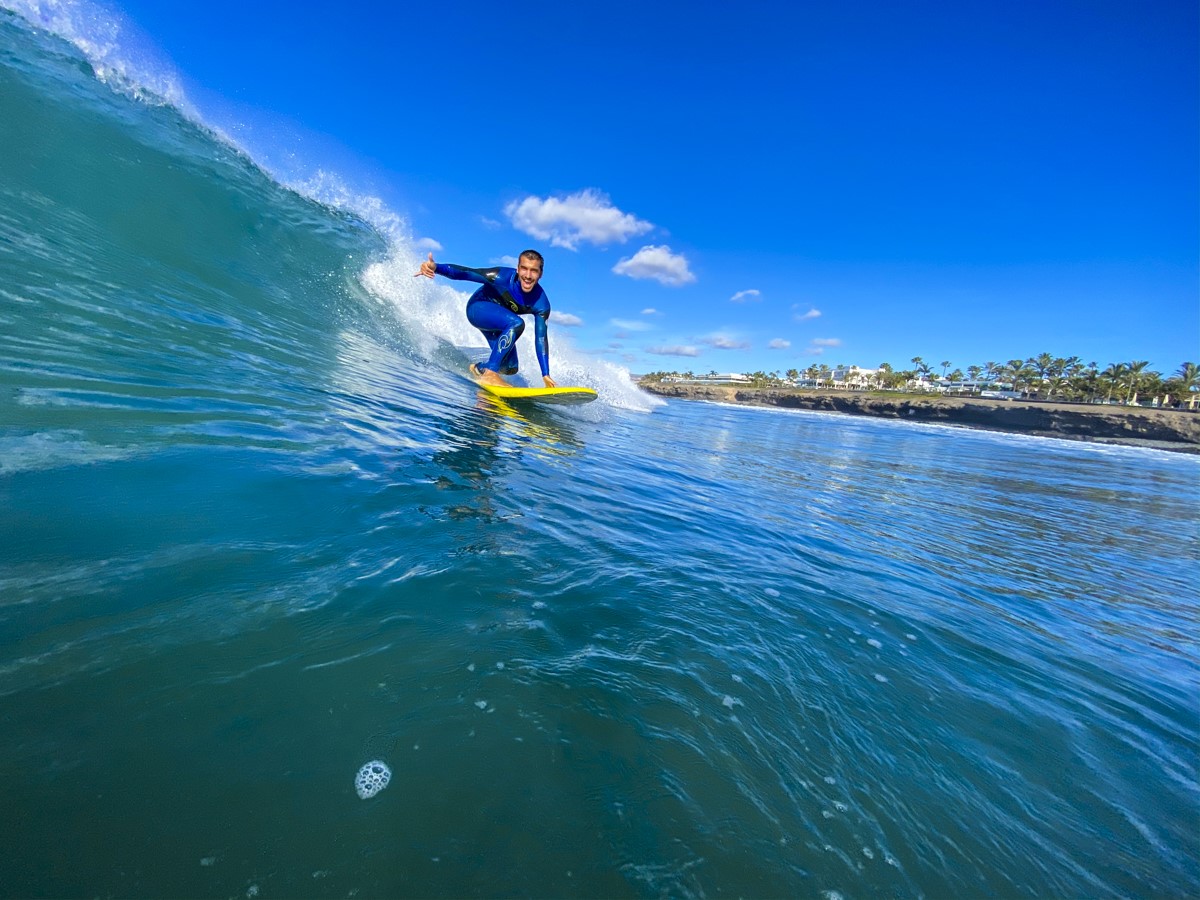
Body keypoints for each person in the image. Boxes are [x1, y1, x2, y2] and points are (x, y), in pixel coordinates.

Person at [415, 249, 557, 388]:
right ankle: (490, 373)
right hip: (478, 309)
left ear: (540, 274)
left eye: (534, 270)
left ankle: (479, 368)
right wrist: (435, 267)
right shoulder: (500, 276)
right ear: (518, 269)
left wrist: (545, 374)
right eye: (524, 268)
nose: (528, 275)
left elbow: (541, 338)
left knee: (510, 367)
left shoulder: (541, 303)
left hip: (501, 323)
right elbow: (466, 273)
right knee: (517, 323)